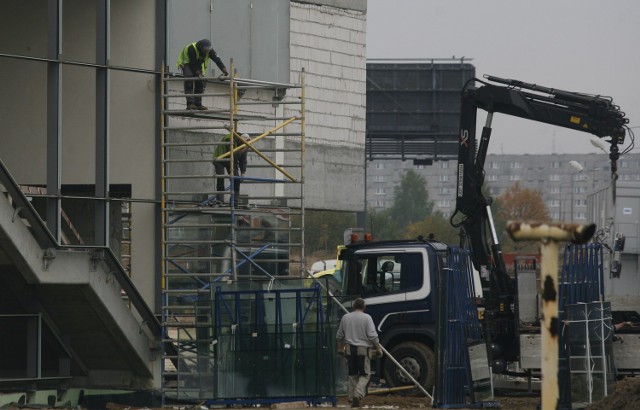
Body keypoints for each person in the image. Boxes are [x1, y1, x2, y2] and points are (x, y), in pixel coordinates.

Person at [336, 298, 382, 408]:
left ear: (353, 306)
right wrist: (378, 348)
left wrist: (340, 348)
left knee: (352, 374)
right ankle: (358, 394)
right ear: (364, 307)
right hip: (362, 350)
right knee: (365, 374)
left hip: (349, 350)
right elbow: (372, 336)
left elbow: (339, 336)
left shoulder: (345, 317)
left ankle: (351, 398)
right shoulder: (367, 317)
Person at [176, 39, 229, 110]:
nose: (207, 52)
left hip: (198, 63)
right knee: (189, 80)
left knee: (200, 82)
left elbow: (218, 60)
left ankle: (198, 104)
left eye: (208, 50)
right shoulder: (192, 49)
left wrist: (224, 71)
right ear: (201, 48)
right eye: (205, 50)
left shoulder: (210, 50)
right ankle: (190, 104)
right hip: (187, 62)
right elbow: (193, 64)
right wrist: (199, 73)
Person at [213, 133, 251, 207]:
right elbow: (233, 155)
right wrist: (244, 149)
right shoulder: (229, 139)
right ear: (240, 141)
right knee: (221, 177)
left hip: (231, 161)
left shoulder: (244, 145)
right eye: (243, 143)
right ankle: (220, 200)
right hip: (219, 158)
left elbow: (243, 160)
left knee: (236, 179)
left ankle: (234, 202)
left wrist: (243, 172)